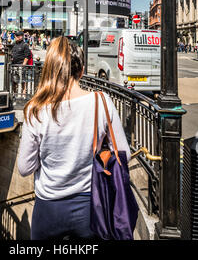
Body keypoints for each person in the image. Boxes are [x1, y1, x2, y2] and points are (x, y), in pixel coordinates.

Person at [17, 36, 131, 241]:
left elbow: (25, 168)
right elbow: (125, 155)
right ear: (81, 70)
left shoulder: (35, 110)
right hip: (91, 206)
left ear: (50, 68)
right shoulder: (101, 101)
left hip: (48, 208)